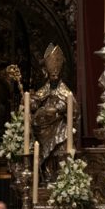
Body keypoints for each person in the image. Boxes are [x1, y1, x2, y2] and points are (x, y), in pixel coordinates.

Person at [31, 43, 79, 182]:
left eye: (56, 72)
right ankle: (47, 179)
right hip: (44, 131)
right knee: (47, 157)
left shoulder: (66, 92)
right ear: (46, 71)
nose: (54, 75)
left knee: (61, 153)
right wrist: (30, 103)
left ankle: (61, 181)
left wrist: (60, 108)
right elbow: (35, 102)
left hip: (61, 129)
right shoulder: (43, 90)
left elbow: (74, 110)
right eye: (52, 72)